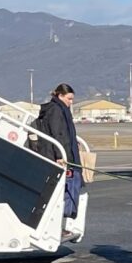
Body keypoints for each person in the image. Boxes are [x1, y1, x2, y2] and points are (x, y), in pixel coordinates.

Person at [33, 83, 83, 224]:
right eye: (69, 98)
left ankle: (65, 219)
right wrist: (60, 156)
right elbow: (58, 134)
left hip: (63, 151)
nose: (71, 102)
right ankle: (63, 220)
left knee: (68, 188)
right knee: (65, 189)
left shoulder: (60, 109)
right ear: (60, 96)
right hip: (58, 154)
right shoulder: (56, 110)